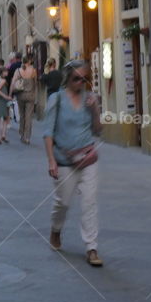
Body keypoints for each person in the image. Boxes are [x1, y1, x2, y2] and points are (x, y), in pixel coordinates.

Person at [43, 60, 104, 267]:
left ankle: (91, 247)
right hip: (63, 160)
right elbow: (48, 132)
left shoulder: (89, 98)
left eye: (85, 78)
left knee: (89, 202)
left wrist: (95, 109)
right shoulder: (56, 99)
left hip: (88, 157)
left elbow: (98, 130)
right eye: (77, 78)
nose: (81, 83)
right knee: (63, 202)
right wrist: (51, 159)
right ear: (67, 79)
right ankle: (56, 229)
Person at [12, 56, 39, 144]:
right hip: (30, 95)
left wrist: (10, 94)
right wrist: (36, 95)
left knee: (22, 115)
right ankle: (27, 137)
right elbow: (35, 83)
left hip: (20, 95)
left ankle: (21, 134)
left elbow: (13, 83)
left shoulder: (18, 70)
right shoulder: (33, 71)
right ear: (29, 61)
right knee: (29, 117)